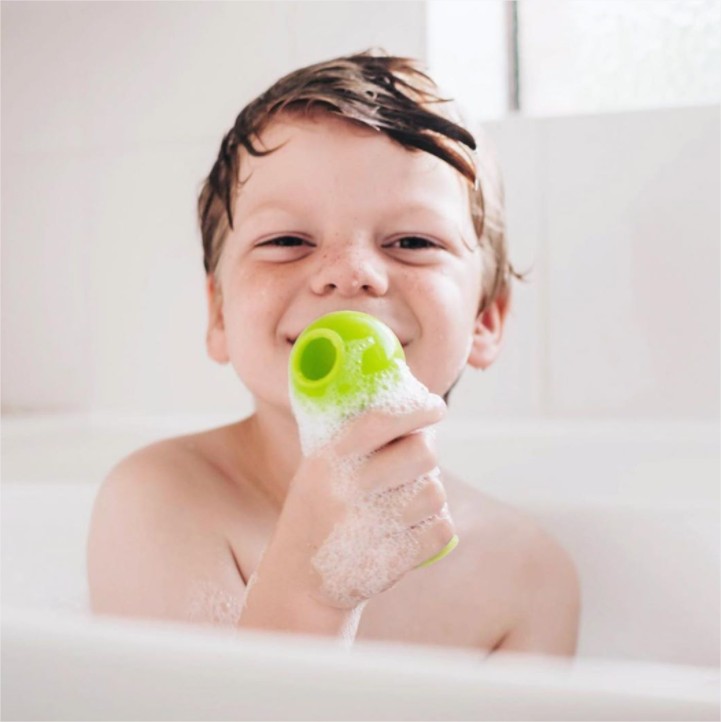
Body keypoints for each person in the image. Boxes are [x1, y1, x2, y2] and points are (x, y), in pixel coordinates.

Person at [87, 50, 580, 655]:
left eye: (412, 241)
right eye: (288, 240)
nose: (349, 273)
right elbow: (201, 702)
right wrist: (317, 586)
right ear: (219, 315)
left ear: (485, 318)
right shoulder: (164, 499)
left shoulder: (527, 575)